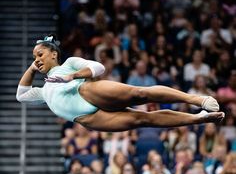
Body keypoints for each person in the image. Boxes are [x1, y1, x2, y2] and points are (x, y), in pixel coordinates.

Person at [16, 35, 224, 133]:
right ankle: (198, 119)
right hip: (88, 118)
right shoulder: (44, 91)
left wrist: (73, 76)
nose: (37, 59)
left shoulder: (69, 64)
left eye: (40, 55)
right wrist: (33, 68)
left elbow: (98, 68)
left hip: (87, 92)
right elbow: (22, 95)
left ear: (54, 54)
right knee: (142, 120)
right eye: (34, 57)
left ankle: (195, 98)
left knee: (140, 93)